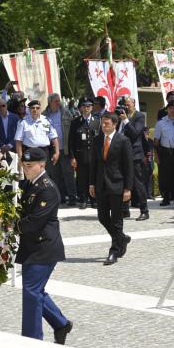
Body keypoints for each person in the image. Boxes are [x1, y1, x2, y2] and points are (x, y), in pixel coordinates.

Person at [16, 147, 73, 343]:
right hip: (33, 246)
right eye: (24, 165)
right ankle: (61, 324)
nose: (26, 169)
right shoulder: (31, 184)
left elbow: (35, 221)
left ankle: (31, 340)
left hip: (43, 248)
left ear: (42, 164)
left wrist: (12, 226)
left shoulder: (47, 187)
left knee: (31, 291)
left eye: (30, 166)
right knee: (35, 290)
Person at [89, 112, 134, 266]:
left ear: (115, 124)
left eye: (107, 123)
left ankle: (114, 250)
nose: (103, 126)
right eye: (102, 123)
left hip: (117, 185)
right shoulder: (97, 140)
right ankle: (122, 238)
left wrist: (128, 188)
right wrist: (92, 184)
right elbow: (94, 164)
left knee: (116, 220)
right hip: (101, 185)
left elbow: (129, 166)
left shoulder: (123, 141)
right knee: (102, 216)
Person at [117, 96, 149, 220]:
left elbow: (135, 133)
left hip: (135, 154)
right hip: (122, 154)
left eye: (128, 104)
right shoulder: (120, 116)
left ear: (134, 103)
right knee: (123, 182)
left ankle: (144, 210)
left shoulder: (139, 116)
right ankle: (125, 210)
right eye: (125, 104)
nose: (126, 106)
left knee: (137, 183)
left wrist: (125, 120)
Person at [43, 93, 78, 206]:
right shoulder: (44, 115)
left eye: (59, 101)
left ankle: (72, 197)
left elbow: (72, 129)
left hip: (65, 148)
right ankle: (60, 197)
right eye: (56, 101)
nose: (59, 103)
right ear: (50, 102)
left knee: (68, 173)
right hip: (51, 150)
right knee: (55, 174)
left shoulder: (66, 112)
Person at [69, 98, 100, 209]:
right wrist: (72, 157)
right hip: (80, 156)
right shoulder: (75, 122)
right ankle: (83, 199)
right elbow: (71, 142)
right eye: (84, 106)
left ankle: (93, 199)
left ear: (92, 107)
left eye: (89, 106)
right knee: (81, 178)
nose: (86, 108)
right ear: (81, 107)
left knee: (93, 177)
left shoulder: (97, 122)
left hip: (93, 156)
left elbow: (100, 140)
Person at [14, 99, 60, 175]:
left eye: (37, 108)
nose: (35, 110)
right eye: (33, 108)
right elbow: (18, 141)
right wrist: (20, 156)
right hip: (29, 151)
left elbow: (54, 137)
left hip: (43, 152)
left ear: (40, 109)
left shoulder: (46, 121)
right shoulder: (23, 122)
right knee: (29, 175)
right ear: (29, 109)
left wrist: (57, 152)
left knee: (44, 174)